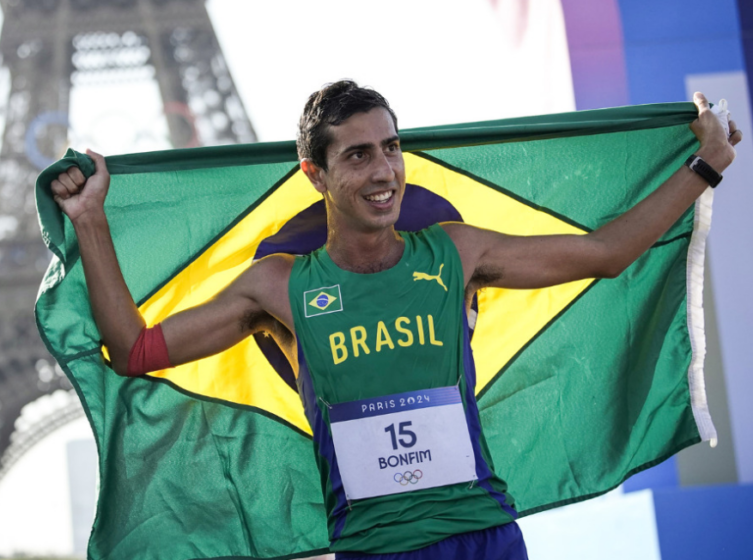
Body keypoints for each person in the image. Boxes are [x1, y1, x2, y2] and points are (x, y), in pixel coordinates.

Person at [49, 81, 741, 559]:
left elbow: (609, 253)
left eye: (391, 147)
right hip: (377, 548)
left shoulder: (456, 252)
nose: (385, 170)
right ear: (314, 174)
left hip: (484, 534)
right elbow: (134, 349)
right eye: (358, 155)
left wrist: (706, 165)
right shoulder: (280, 288)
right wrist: (91, 223)